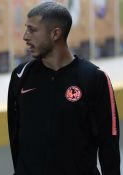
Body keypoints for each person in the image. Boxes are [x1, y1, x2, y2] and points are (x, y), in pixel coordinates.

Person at [7, 2, 120, 175]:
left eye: (32, 29)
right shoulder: (21, 76)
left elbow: (109, 145)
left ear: (55, 34)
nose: (25, 36)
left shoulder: (94, 78)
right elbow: (15, 136)